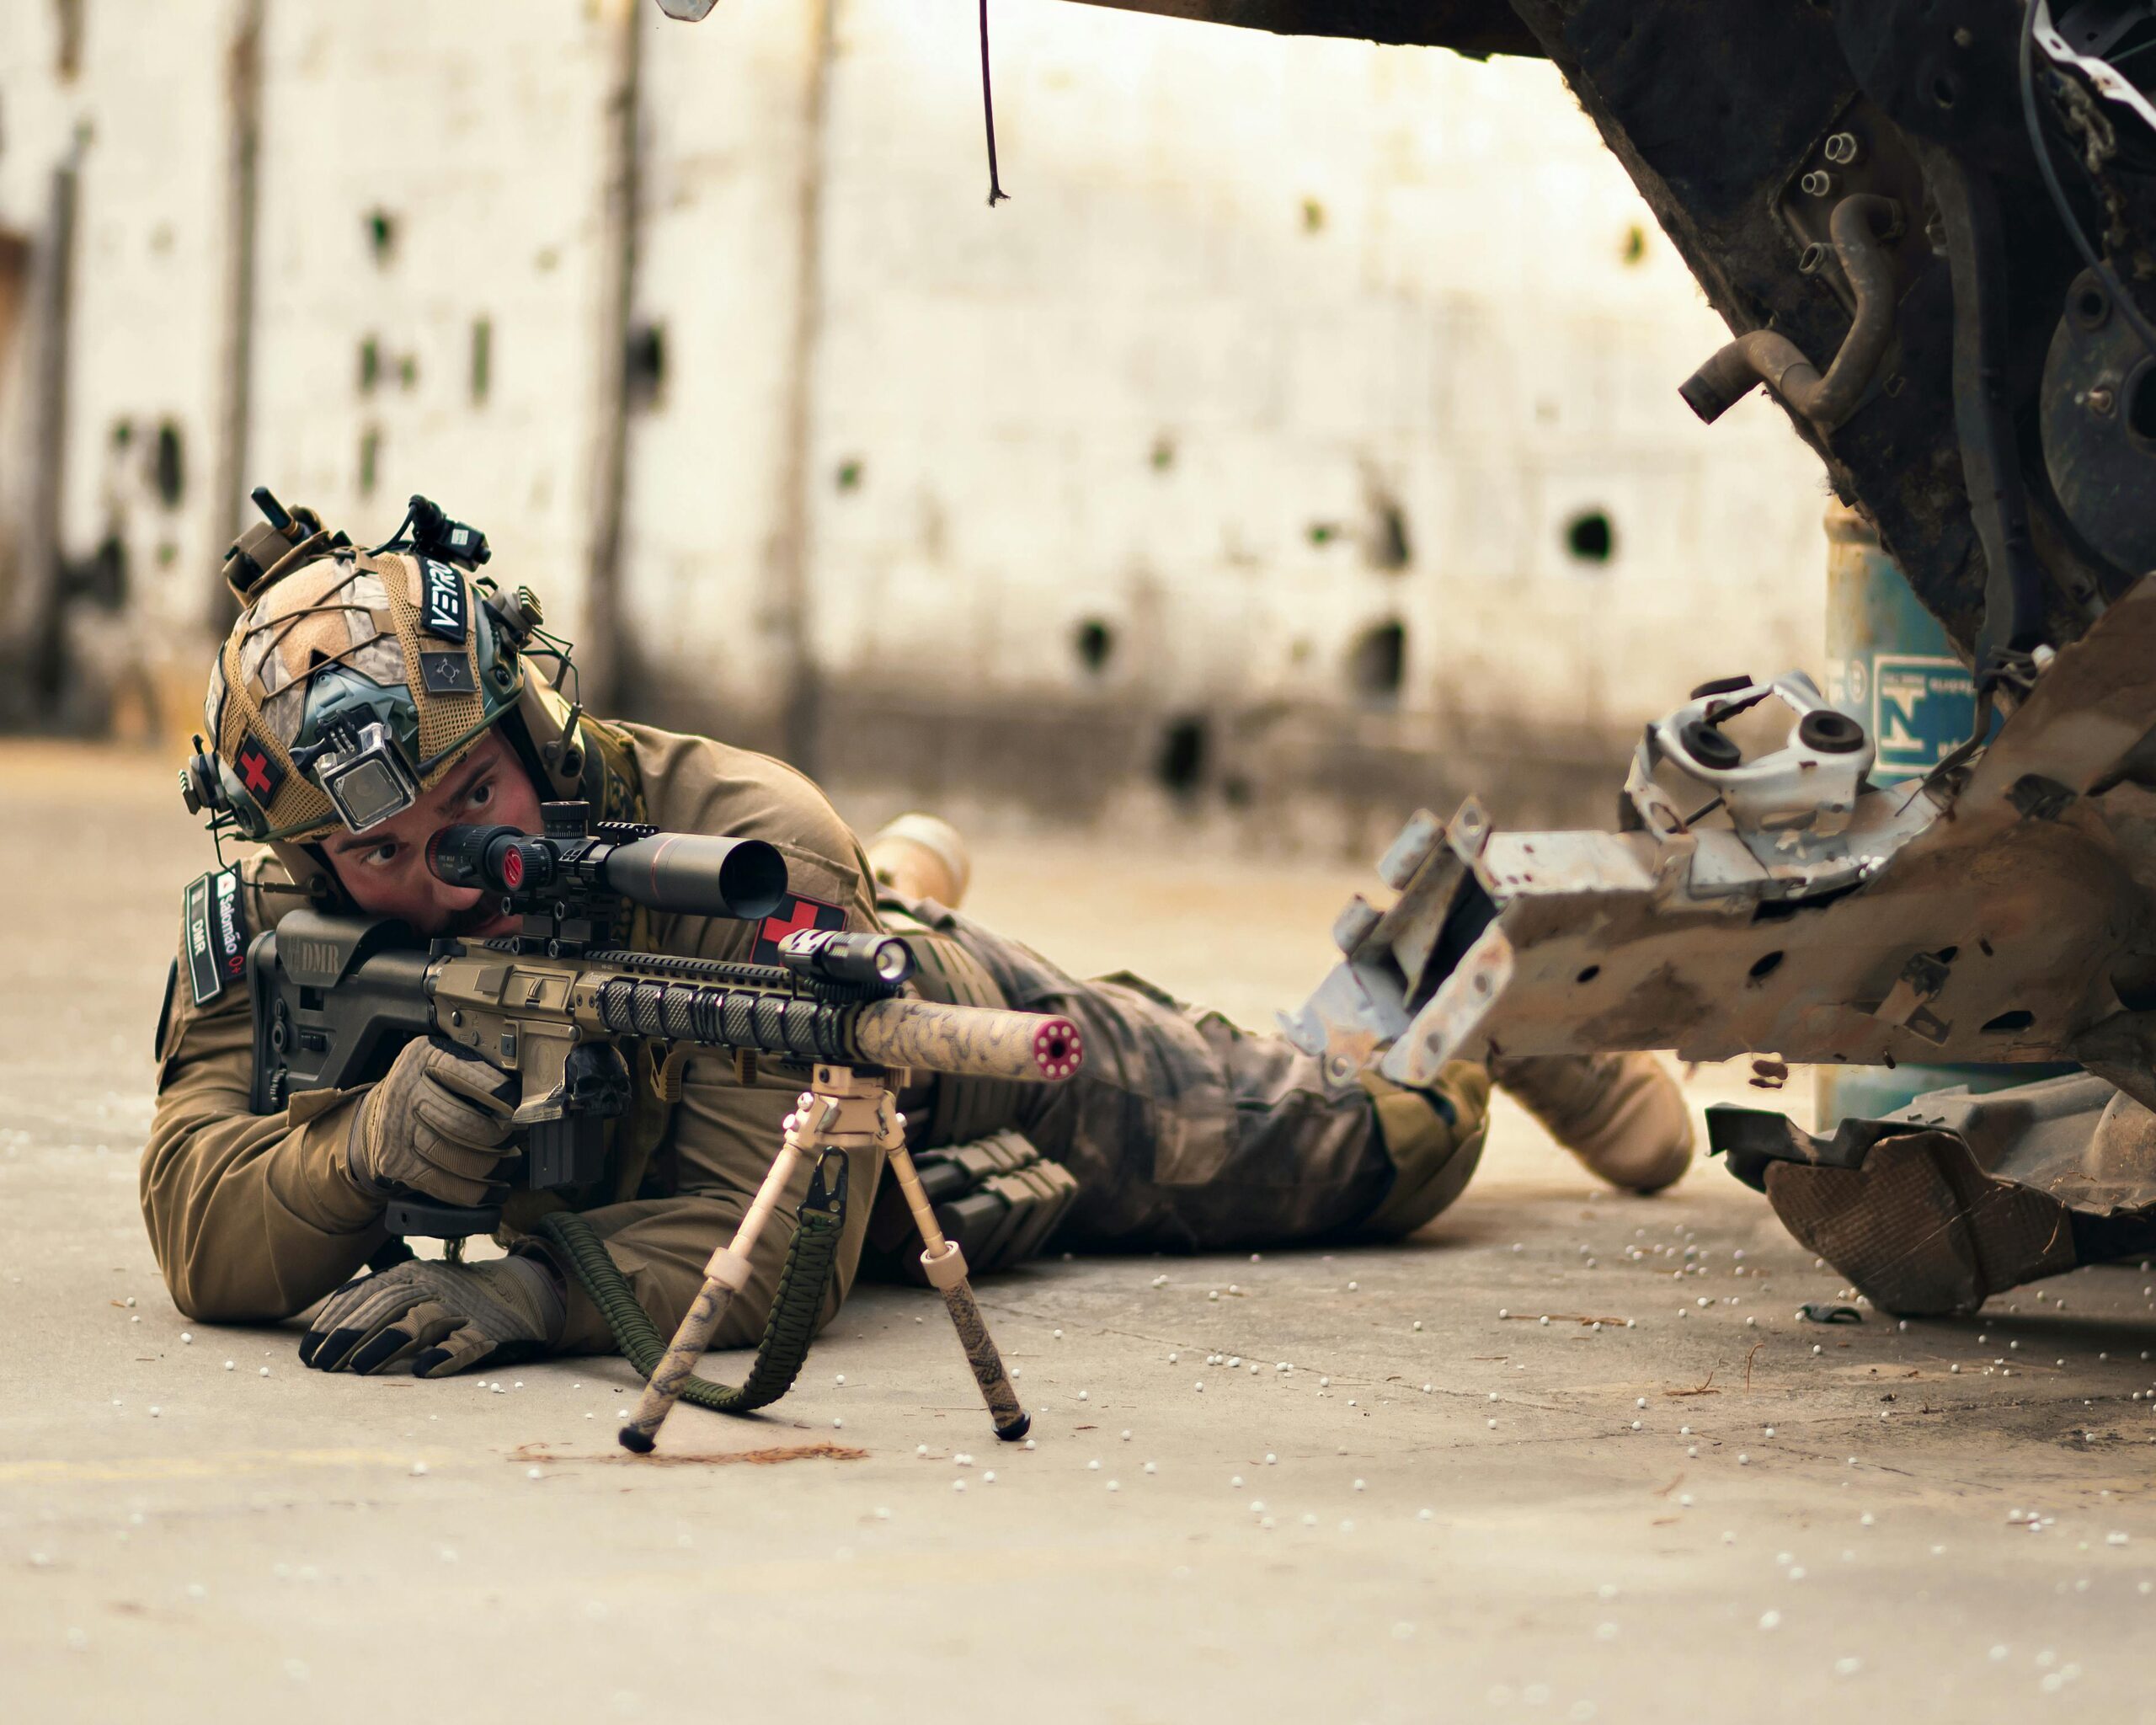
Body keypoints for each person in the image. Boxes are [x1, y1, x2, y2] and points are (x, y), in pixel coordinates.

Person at [143, 495, 1694, 1379]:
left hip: (941, 1051)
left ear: (531, 727)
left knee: (1362, 1143)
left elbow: (775, 1255)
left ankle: (1484, 966)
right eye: (377, 852)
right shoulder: (294, 915)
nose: (440, 876)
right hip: (818, 937)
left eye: (470, 800)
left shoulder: (739, 829)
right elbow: (194, 1217)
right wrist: (358, 1155)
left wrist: (532, 1292)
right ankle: (908, 877)